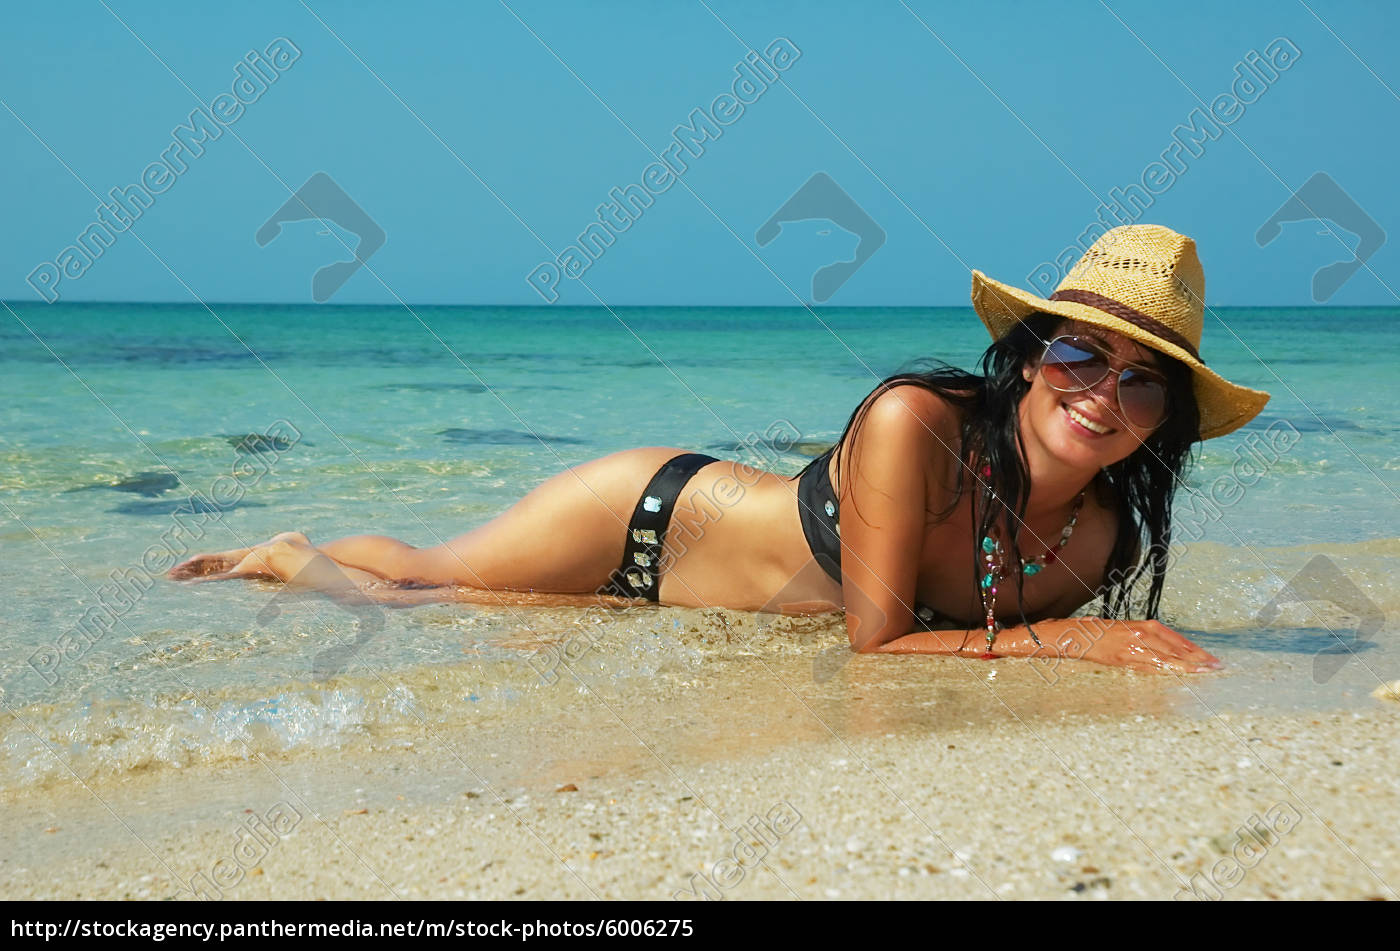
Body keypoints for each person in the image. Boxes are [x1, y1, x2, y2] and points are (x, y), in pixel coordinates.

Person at [170, 224, 1269, 673]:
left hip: (686, 598)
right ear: (1029, 358)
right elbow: (877, 646)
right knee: (415, 588)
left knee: (465, 613)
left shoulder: (1103, 533)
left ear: (1165, 418)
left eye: (1141, 380)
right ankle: (289, 553)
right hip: (642, 518)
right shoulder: (916, 426)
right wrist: (1080, 649)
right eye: (1079, 355)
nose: (1101, 393)